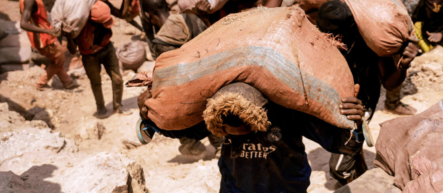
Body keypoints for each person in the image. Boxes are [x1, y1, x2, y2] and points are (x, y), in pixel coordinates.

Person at [137, 80, 365, 193]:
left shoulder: (288, 111)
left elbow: (343, 144)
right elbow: (179, 127)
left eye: (246, 130)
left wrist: (353, 122)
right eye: (228, 134)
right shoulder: (217, 117)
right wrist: (149, 115)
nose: (235, 136)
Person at [316, 0, 419, 183]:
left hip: (362, 105)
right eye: (326, 34)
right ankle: (359, 165)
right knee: (352, 149)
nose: (331, 39)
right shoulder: (319, 41)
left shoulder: (370, 44)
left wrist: (403, 66)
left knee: (339, 169)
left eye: (336, 35)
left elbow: (389, 82)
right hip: (334, 104)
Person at [136, 0, 222, 156]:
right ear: (168, 6)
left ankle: (191, 145)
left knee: (155, 103)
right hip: (215, 87)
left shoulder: (161, 43)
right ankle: (219, 143)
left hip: (192, 103)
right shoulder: (193, 19)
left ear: (148, 15)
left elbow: (171, 87)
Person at [64, 0, 128, 118]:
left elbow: (122, 14)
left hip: (107, 48)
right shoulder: (79, 26)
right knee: (96, 82)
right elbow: (72, 50)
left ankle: (118, 106)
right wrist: (69, 38)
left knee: (118, 79)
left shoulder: (103, 8)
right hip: (90, 57)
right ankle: (100, 107)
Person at [19, 0, 76, 90]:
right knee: (60, 58)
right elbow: (23, 23)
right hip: (44, 38)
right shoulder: (30, 0)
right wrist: (47, 31)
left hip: (42, 35)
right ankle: (41, 83)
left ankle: (67, 82)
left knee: (57, 58)